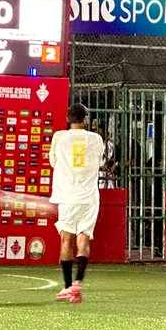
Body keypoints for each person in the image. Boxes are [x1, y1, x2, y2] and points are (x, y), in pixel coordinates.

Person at [50, 103, 106, 303]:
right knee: (84, 239)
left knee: (66, 240)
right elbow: (100, 162)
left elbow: (53, 162)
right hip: (89, 197)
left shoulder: (59, 137)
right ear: (86, 119)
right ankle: (78, 282)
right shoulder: (97, 139)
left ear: (68, 119)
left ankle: (66, 286)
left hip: (67, 196)